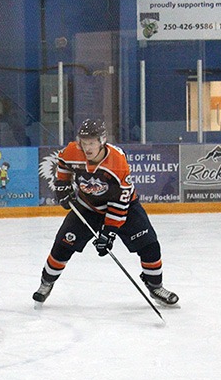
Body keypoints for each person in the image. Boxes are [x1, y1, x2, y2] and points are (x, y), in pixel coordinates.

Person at [33, 119, 179, 308]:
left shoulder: (117, 162)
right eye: (84, 143)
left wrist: (109, 233)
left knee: (149, 245)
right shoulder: (72, 151)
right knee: (62, 245)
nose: (87, 148)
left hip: (124, 207)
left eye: (92, 142)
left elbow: (119, 203)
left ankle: (155, 286)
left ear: (102, 141)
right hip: (88, 206)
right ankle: (46, 283)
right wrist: (62, 185)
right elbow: (63, 163)